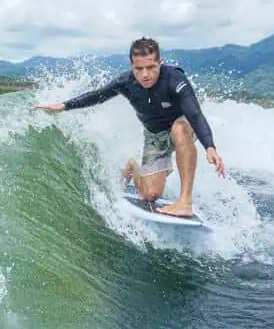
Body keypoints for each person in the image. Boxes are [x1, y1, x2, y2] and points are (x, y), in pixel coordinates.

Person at [33, 37, 225, 217]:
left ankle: (184, 202)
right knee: (150, 195)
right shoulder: (126, 82)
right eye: (139, 68)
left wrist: (210, 146)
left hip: (182, 126)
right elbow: (98, 96)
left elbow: (195, 114)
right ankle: (133, 167)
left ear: (161, 62)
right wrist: (64, 106)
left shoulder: (174, 79)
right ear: (131, 66)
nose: (145, 74)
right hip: (155, 136)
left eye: (151, 67)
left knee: (180, 129)